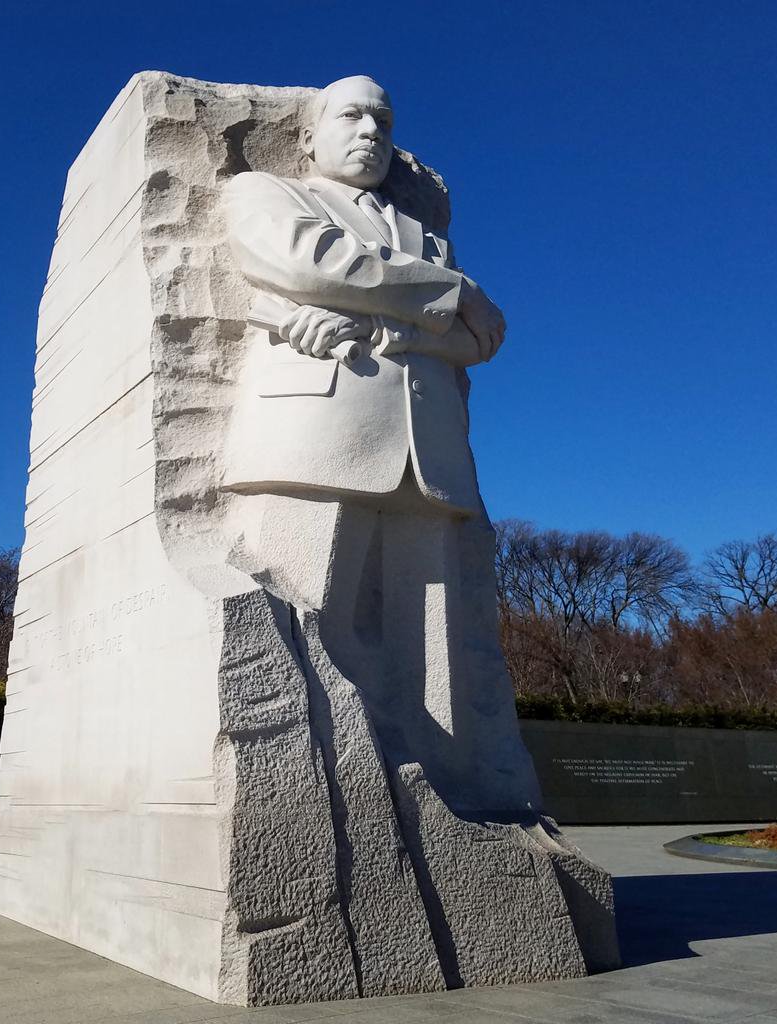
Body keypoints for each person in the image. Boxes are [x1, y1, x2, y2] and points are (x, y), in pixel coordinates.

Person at [220, 74, 538, 815]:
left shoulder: (426, 239)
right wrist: (447, 294)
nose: (370, 131)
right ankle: (304, 804)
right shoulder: (266, 193)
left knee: (435, 655)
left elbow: (483, 337)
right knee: (299, 620)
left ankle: (450, 805)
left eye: (383, 121)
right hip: (313, 438)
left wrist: (396, 322)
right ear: (309, 136)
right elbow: (309, 263)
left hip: (427, 453)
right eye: (352, 116)